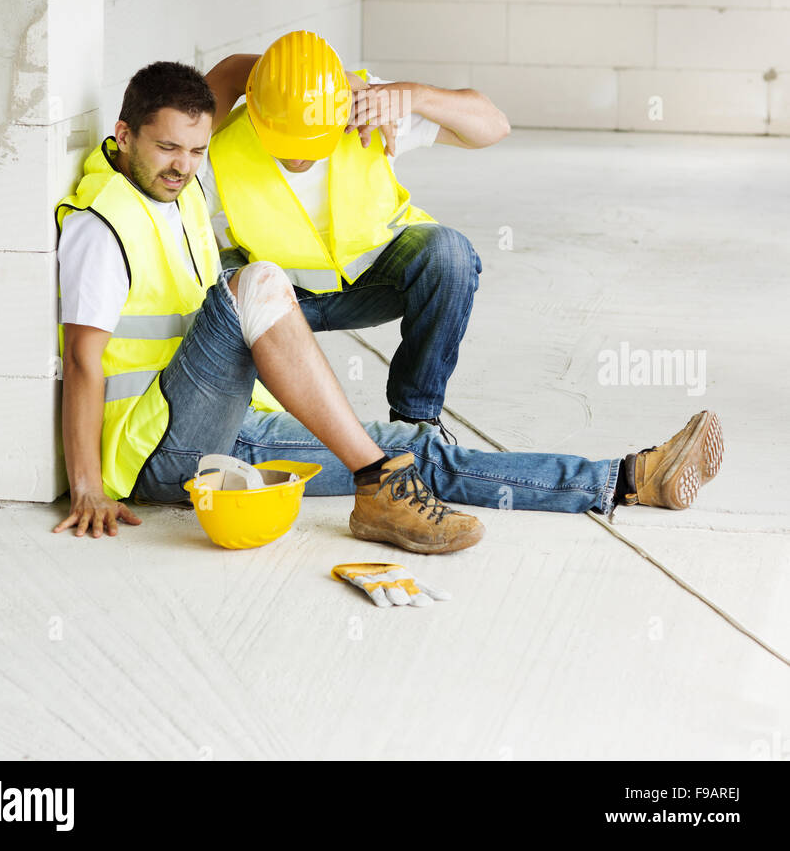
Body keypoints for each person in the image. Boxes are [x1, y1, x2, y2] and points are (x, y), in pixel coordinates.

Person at [52, 60, 724, 550]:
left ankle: (629, 478)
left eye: (195, 149)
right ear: (125, 133)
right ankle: (377, 478)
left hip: (221, 419)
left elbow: (225, 77)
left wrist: (307, 78)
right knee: (255, 282)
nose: (183, 163)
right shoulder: (101, 225)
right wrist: (87, 486)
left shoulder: (181, 188)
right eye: (167, 147)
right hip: (156, 450)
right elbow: (83, 361)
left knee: (414, 453)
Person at [202, 30, 509, 442]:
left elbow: (493, 127)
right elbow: (223, 82)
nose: (296, 155)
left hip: (374, 286)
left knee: (449, 256)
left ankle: (415, 424)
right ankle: (244, 422)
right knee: (216, 282)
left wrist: (410, 94)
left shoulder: (367, 107)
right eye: (282, 138)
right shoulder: (219, 147)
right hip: (280, 305)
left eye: (310, 141)